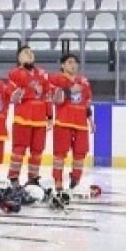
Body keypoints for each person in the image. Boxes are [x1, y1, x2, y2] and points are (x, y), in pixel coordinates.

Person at [49, 54, 94, 203]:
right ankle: (58, 182)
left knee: (80, 154)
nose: (73, 65)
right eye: (69, 62)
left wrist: (90, 120)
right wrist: (69, 91)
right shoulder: (56, 79)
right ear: (62, 65)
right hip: (64, 122)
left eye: (75, 62)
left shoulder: (84, 81)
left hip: (81, 123)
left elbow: (87, 102)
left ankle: (75, 180)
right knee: (59, 155)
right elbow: (55, 100)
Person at [6, 45, 53, 187]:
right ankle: (13, 178)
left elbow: (47, 95)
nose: (29, 54)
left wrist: (49, 116)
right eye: (25, 53)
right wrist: (29, 92)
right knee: (19, 149)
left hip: (39, 118)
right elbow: (12, 94)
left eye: (30, 52)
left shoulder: (43, 73)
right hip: (23, 117)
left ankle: (33, 178)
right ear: (19, 58)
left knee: (37, 151)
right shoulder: (15, 73)